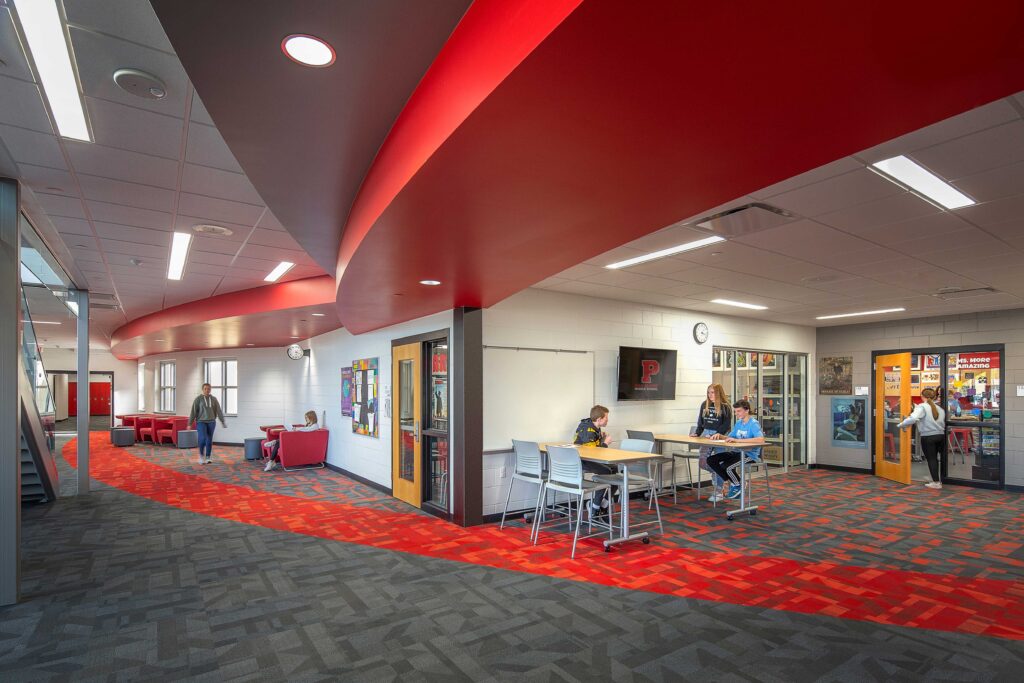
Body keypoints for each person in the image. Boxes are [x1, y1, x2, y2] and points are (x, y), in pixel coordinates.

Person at [707, 400, 766, 500]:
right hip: (737, 452)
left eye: (738, 411)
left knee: (727, 467)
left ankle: (738, 484)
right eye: (735, 411)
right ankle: (729, 480)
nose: (736, 414)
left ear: (746, 410)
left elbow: (761, 439)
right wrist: (719, 436)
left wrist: (737, 440)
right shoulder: (738, 423)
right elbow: (730, 437)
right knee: (711, 460)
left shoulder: (753, 424)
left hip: (750, 455)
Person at [573, 404, 616, 518]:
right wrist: (605, 443)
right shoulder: (588, 429)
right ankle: (595, 507)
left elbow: (593, 446)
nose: (608, 420)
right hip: (583, 461)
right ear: (599, 419)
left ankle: (603, 505)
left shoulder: (594, 427)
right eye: (606, 417)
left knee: (616, 470)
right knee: (606, 472)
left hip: (588, 458)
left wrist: (600, 439)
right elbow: (592, 453)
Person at [899, 387, 945, 489]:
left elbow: (913, 418)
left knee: (932, 459)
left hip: (928, 437)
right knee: (938, 459)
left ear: (922, 396)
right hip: (941, 435)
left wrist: (901, 425)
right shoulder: (940, 408)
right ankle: (941, 480)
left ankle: (936, 482)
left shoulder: (922, 407)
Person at [696, 384, 732, 502]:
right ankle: (722, 475)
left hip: (719, 435)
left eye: (713, 392)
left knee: (719, 461)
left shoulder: (725, 406)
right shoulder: (704, 404)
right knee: (702, 462)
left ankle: (719, 490)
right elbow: (700, 421)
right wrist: (697, 432)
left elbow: (726, 424)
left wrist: (717, 434)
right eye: (708, 392)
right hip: (706, 434)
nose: (710, 395)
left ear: (719, 393)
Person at [189, 383, 227, 465]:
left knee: (209, 439)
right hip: (201, 422)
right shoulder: (198, 399)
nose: (207, 390)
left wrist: (222, 421)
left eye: (208, 389)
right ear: (202, 389)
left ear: (210, 390)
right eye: (205, 388)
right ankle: (201, 456)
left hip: (211, 422)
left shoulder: (214, 399)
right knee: (202, 438)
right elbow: (193, 411)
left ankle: (208, 457)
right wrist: (190, 423)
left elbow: (218, 410)